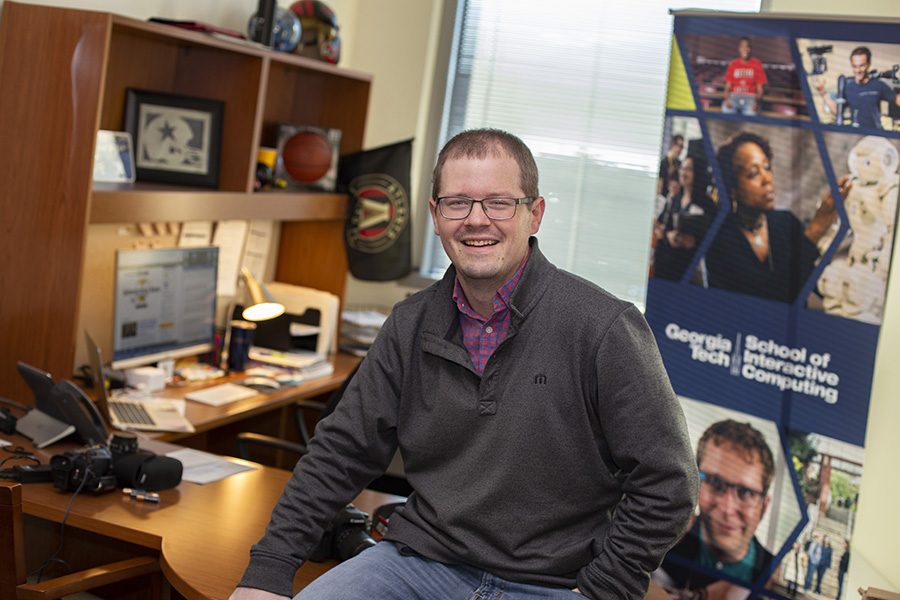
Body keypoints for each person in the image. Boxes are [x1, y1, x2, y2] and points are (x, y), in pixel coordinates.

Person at [230, 128, 699, 600]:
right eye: (457, 203)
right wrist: (267, 572)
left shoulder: (603, 327)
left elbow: (670, 484)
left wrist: (604, 589)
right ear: (435, 216)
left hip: (555, 584)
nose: (477, 221)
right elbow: (340, 452)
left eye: (499, 203)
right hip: (416, 564)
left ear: (533, 214)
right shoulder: (410, 324)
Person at [704, 131, 845, 303]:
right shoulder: (717, 238)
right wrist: (816, 229)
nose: (767, 179)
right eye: (753, 173)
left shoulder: (786, 222)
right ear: (732, 189)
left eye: (767, 167)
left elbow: (819, 283)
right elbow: (771, 296)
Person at [656, 419, 778, 594]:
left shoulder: (774, 575)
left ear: (764, 507)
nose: (727, 509)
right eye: (714, 482)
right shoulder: (660, 546)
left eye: (745, 493)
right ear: (695, 484)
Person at [653, 153, 717, 282]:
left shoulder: (707, 204)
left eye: (688, 169)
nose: (683, 172)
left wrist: (695, 242)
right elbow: (665, 226)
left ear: (697, 172)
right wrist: (669, 235)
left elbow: (713, 237)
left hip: (689, 266)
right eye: (682, 168)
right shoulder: (675, 198)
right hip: (667, 261)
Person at [814, 46, 900, 129]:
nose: (858, 70)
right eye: (854, 66)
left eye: (862, 66)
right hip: (856, 134)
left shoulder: (878, 85)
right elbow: (837, 111)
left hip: (875, 134)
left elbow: (897, 100)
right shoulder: (848, 87)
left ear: (868, 64)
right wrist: (822, 91)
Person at [722, 37, 768, 116]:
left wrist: (756, 103)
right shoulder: (733, 64)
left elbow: (760, 89)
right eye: (742, 46)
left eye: (747, 47)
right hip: (734, 96)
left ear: (750, 49)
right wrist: (727, 100)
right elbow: (727, 87)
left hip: (750, 98)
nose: (745, 49)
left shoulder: (757, 64)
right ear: (739, 49)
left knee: (751, 114)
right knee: (726, 111)